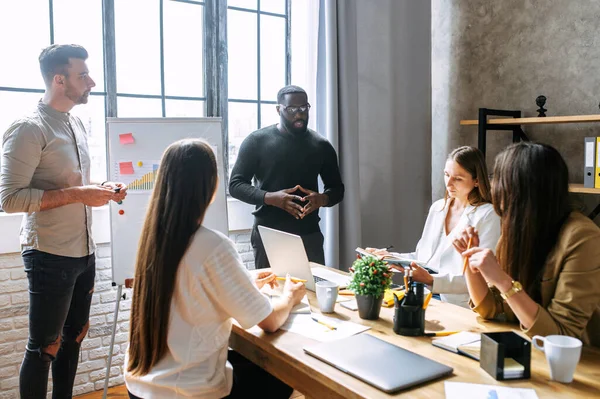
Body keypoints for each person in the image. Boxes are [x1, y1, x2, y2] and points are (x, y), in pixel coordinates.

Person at [124, 139, 306, 398]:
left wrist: (245, 283)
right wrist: (290, 296)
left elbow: (189, 294)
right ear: (211, 187)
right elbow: (270, 321)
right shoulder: (212, 245)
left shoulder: (154, 240)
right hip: (188, 392)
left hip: (142, 387)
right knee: (284, 378)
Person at [0, 44, 127, 398]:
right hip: (48, 255)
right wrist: (80, 194)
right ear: (59, 80)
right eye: (82, 75)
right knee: (44, 348)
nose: (92, 81)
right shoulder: (27, 128)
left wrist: (100, 189)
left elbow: (71, 184)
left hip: (83, 252)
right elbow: (9, 199)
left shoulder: (76, 123)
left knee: (74, 339)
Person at [456, 142, 600, 347]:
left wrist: (503, 281)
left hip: (580, 362)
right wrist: (470, 262)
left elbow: (562, 336)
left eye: (498, 178)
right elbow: (490, 309)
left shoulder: (583, 238)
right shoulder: (517, 228)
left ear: (521, 189)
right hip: (530, 349)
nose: (493, 185)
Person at [229, 85, 345, 269]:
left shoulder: (322, 146)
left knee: (314, 294)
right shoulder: (256, 141)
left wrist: (322, 199)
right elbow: (235, 185)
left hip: (309, 235)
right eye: (291, 109)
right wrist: (271, 198)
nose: (298, 114)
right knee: (270, 293)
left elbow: (338, 189)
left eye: (303, 108)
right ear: (278, 109)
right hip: (268, 234)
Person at [391, 146, 500, 308]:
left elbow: (483, 276)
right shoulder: (438, 207)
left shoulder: (488, 215)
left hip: (457, 302)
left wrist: (431, 279)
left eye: (458, 178)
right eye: (446, 175)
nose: (448, 183)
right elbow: (422, 257)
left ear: (477, 181)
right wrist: (389, 258)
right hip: (420, 291)